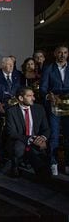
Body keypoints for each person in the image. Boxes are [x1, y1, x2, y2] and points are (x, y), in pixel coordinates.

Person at [6, 87, 51, 178]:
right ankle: (15, 165)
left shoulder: (39, 108)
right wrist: (30, 139)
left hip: (36, 140)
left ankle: (37, 165)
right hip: (20, 140)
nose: (33, 98)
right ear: (21, 98)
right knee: (18, 148)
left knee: (45, 174)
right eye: (29, 96)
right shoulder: (11, 111)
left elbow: (46, 128)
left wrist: (42, 138)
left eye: (33, 95)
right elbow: (12, 133)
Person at [40, 45, 69, 175]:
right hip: (54, 105)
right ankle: (53, 163)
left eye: (65, 53)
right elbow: (43, 88)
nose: (62, 55)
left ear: (67, 54)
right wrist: (48, 95)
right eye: (60, 53)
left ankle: (67, 164)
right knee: (54, 135)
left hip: (68, 104)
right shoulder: (48, 68)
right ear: (55, 54)